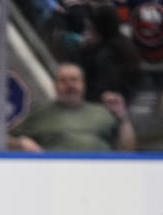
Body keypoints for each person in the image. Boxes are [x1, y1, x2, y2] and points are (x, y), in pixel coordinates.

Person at [8, 61, 137, 151]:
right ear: (55, 86)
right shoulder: (39, 113)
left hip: (100, 176)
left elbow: (128, 151)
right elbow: (2, 140)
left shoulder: (103, 112)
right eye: (63, 80)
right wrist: (20, 144)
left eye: (74, 80)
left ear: (83, 84)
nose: (69, 85)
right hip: (53, 178)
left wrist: (123, 118)